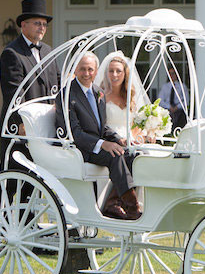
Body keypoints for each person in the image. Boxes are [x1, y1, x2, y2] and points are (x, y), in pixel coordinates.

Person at [55, 52, 142, 220]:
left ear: (96, 72)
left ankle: (112, 204)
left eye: (90, 69)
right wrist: (103, 144)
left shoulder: (97, 92)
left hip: (97, 145)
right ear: (75, 70)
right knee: (115, 156)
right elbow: (74, 132)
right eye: (82, 69)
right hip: (80, 148)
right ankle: (132, 206)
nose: (86, 73)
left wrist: (117, 139)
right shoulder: (66, 95)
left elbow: (103, 127)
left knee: (132, 154)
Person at [0, 0, 60, 169]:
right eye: (37, 23)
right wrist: (22, 122)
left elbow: (58, 82)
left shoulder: (49, 51)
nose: (42, 28)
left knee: (40, 176)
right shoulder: (12, 52)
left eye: (44, 24)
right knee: (16, 176)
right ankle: (2, 197)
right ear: (23, 25)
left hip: (45, 124)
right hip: (21, 126)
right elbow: (13, 92)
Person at [98, 51, 152, 143]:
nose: (114, 74)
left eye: (118, 71)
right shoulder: (101, 96)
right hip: (110, 142)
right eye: (111, 71)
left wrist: (147, 135)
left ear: (125, 73)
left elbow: (135, 128)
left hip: (130, 142)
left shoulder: (130, 97)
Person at [157, 64, 189, 133]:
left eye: (173, 73)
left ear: (177, 74)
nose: (171, 75)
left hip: (179, 112)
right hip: (167, 110)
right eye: (170, 74)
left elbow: (186, 101)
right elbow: (160, 100)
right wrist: (169, 107)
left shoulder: (182, 87)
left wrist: (177, 107)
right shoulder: (165, 87)